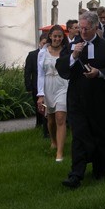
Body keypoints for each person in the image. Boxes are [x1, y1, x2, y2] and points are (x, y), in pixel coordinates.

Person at [55, 11, 105, 189]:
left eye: (86, 29)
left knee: (99, 133)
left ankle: (100, 166)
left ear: (95, 27)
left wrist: (99, 73)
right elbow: (61, 67)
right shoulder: (73, 46)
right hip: (77, 98)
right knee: (79, 135)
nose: (82, 32)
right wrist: (73, 56)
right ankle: (76, 175)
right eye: (80, 28)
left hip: (100, 99)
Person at [36, 25, 69, 162]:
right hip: (48, 86)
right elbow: (40, 74)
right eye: (55, 36)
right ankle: (53, 141)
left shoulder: (66, 52)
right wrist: (40, 94)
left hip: (63, 85)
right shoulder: (42, 53)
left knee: (60, 117)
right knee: (51, 119)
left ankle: (59, 153)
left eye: (60, 36)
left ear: (63, 37)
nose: (57, 39)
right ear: (50, 36)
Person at [24, 32, 48, 136]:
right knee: (38, 106)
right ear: (39, 43)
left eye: (47, 44)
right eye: (43, 43)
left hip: (48, 84)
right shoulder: (32, 55)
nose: (45, 46)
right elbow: (27, 71)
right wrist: (28, 86)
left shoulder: (50, 54)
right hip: (36, 86)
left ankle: (47, 125)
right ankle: (39, 124)